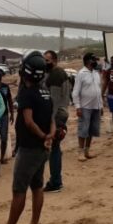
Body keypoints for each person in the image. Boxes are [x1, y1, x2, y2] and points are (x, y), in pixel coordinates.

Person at [0, 52, 54, 224]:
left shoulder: (27, 93)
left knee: (19, 189)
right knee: (37, 186)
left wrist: (43, 136)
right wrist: (49, 136)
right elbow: (51, 120)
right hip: (42, 149)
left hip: (29, 149)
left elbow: (28, 121)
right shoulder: (45, 93)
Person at [43, 50, 70, 193]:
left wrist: (51, 122)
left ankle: (55, 181)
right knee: (55, 149)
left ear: (54, 60)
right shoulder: (61, 73)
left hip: (56, 115)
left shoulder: (55, 75)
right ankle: (55, 180)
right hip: (62, 112)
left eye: (47, 60)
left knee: (53, 149)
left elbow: (53, 100)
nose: (45, 63)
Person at [72, 52, 103, 161]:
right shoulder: (81, 73)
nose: (96, 62)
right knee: (83, 129)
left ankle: (87, 151)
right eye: (93, 60)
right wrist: (78, 107)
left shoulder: (96, 73)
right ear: (88, 61)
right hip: (85, 106)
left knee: (91, 130)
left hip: (96, 106)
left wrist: (101, 105)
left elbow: (98, 90)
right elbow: (75, 92)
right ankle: (80, 152)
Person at [0, 71, 15, 163]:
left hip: (4, 115)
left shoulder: (5, 87)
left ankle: (2, 158)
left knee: (4, 137)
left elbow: (9, 100)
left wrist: (12, 114)